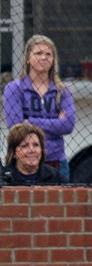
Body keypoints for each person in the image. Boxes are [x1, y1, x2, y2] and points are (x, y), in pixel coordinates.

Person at [3, 35, 76, 181]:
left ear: (53, 59)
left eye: (48, 54)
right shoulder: (13, 89)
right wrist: (55, 123)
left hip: (56, 161)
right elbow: (16, 127)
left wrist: (29, 121)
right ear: (28, 58)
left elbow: (68, 125)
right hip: (23, 165)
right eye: (38, 53)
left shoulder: (62, 91)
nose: (44, 57)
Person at [2, 123, 67, 185]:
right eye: (24, 146)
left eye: (36, 145)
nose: (32, 150)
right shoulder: (4, 178)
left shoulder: (56, 178)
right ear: (13, 153)